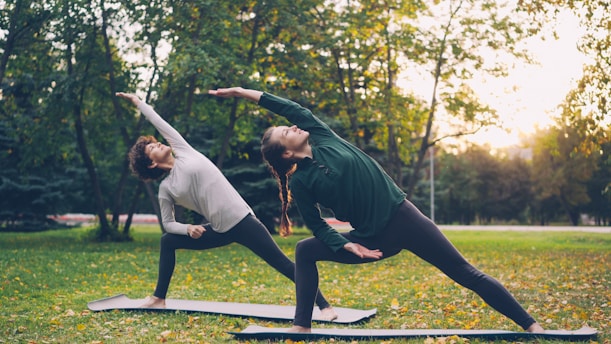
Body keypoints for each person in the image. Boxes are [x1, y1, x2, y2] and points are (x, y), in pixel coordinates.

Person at [208, 87, 545, 334]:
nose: (294, 127)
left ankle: (531, 324)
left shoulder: (324, 137)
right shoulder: (302, 183)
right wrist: (345, 244)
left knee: (465, 272)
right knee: (304, 250)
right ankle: (302, 327)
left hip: (404, 218)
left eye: (290, 126)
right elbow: (318, 226)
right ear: (286, 155)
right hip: (371, 239)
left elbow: (288, 107)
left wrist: (241, 92)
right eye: (287, 132)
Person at [115, 92, 337, 321]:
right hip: (219, 229)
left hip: (243, 221)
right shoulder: (166, 189)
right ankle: (158, 298)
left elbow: (158, 121)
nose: (158, 143)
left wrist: (138, 102)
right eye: (152, 148)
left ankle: (324, 305)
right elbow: (168, 224)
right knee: (167, 241)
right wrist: (187, 228)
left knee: (282, 263)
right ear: (152, 163)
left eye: (155, 142)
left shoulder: (184, 151)